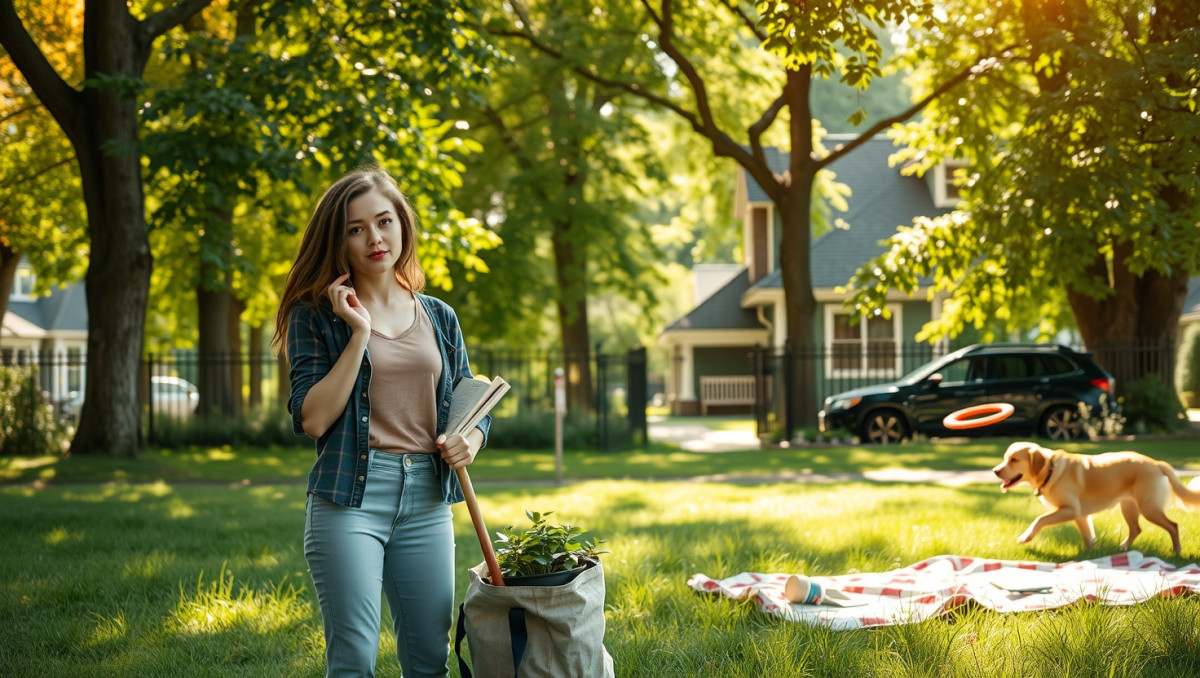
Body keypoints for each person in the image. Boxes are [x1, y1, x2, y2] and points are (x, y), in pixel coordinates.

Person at [271, 166, 489, 678]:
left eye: (384, 221)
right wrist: (359, 333)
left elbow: (470, 400)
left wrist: (472, 440)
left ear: (402, 226)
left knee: (429, 661)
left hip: (428, 503)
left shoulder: (438, 315)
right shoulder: (315, 315)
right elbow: (314, 419)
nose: (374, 238)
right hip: (350, 499)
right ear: (339, 240)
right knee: (353, 662)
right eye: (356, 228)